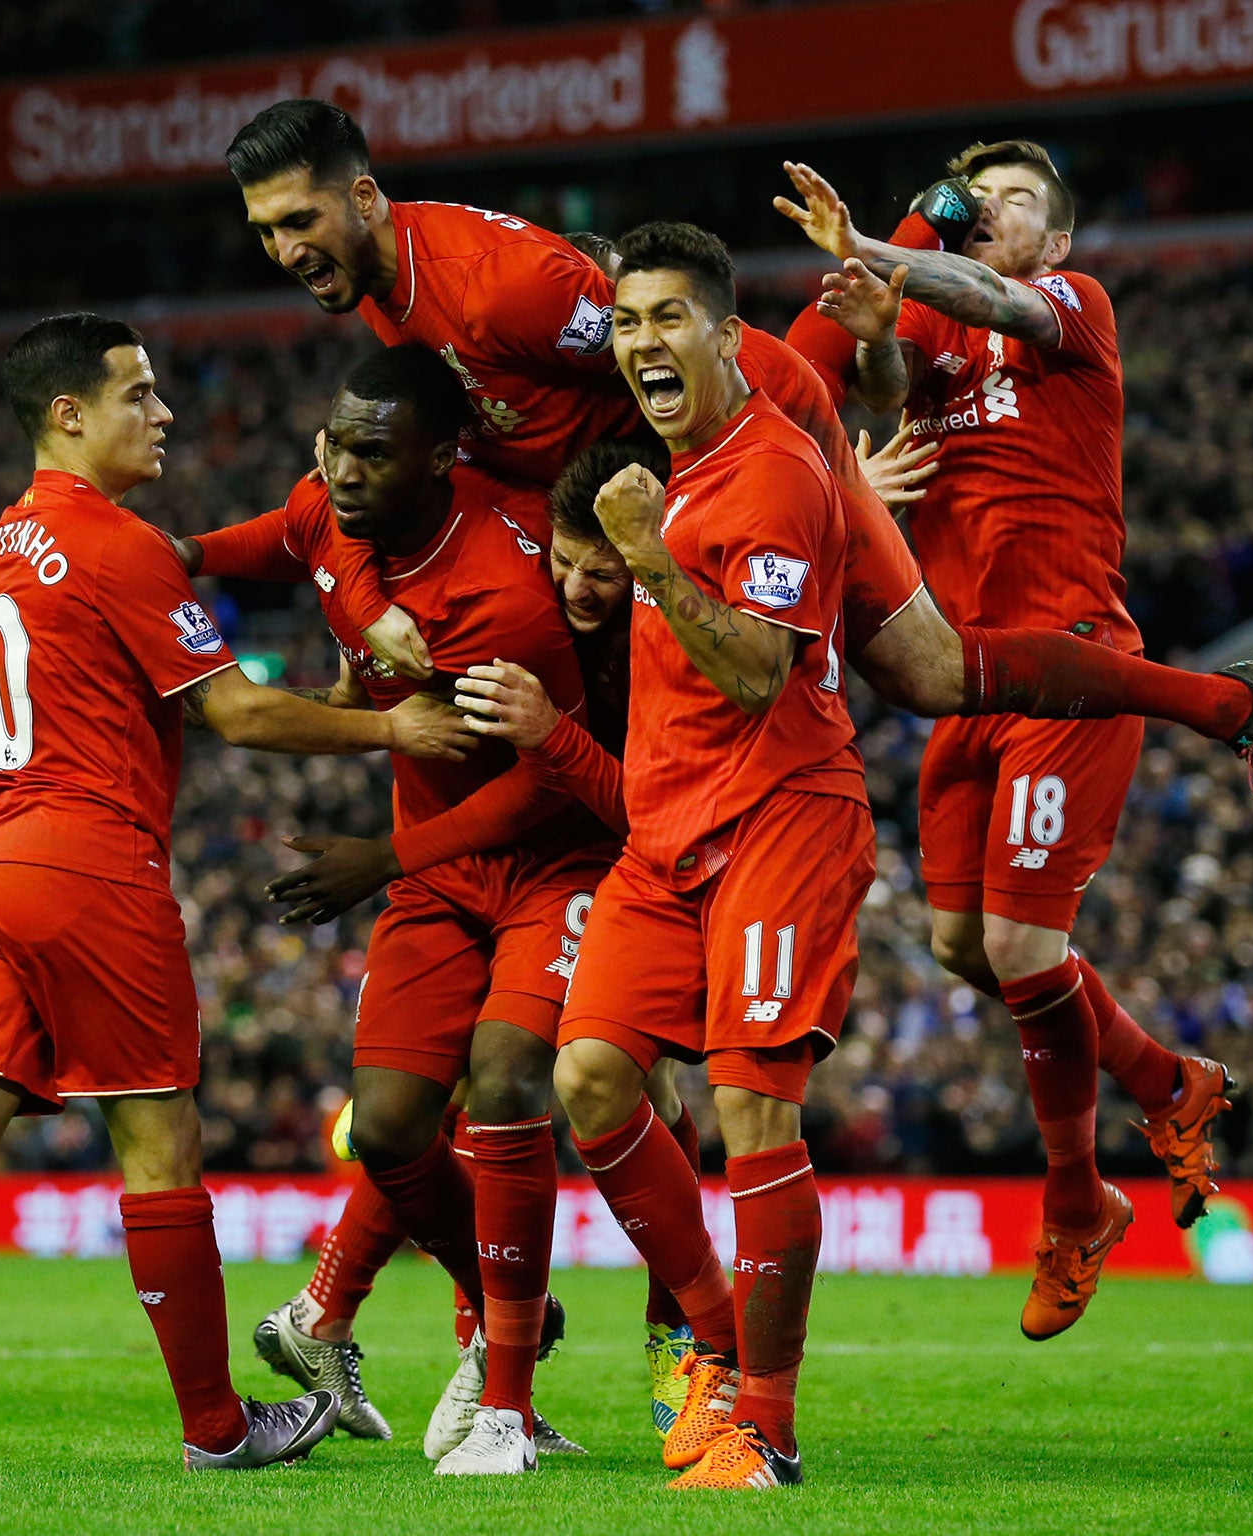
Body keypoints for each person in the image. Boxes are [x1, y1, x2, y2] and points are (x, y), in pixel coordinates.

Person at [223, 98, 1253, 851]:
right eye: (264, 232)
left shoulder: (493, 287)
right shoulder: (381, 289)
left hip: (743, 440)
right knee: (919, 682)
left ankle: (1230, 705)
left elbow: (677, 343)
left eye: (298, 219)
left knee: (924, 674)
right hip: (672, 469)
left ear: (362, 195)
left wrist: (794, 477)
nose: (284, 250)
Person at [0, 314, 473, 1476]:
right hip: (89, 867)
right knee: (160, 1150)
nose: (163, 414)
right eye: (137, 394)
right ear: (68, 414)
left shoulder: (2, 542)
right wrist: (389, 724)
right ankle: (216, 1429)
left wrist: (340, 691)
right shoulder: (118, 543)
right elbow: (235, 713)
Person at [775, 142, 1253, 1335]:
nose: (988, 214)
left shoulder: (1070, 306)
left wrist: (882, 250)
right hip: (964, 677)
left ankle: (1075, 1204)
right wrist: (869, 328)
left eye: (1015, 201)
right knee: (964, 946)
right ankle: (1169, 1086)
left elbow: (993, 297)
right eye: (980, 198)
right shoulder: (938, 347)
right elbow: (874, 384)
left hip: (1069, 658)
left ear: (1055, 241)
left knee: (1020, 948)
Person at [176, 344, 617, 1476]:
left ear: (440, 457)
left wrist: (383, 855)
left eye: (372, 454)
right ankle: (481, 1297)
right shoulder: (338, 502)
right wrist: (176, 555)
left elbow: (542, 775)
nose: (344, 474)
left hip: (550, 860)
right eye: (335, 447)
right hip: (434, 869)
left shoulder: (509, 596)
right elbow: (284, 536)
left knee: (513, 1077)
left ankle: (508, 1396)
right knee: (384, 1125)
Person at [541, 221, 865, 1491]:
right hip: (666, 833)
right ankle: (716, 1346)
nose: (640, 343)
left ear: (728, 337)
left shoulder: (772, 472)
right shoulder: (660, 480)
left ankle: (765, 1432)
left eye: (668, 317)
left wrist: (649, 561)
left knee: (751, 1108)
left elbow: (753, 671)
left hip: (781, 810)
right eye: (624, 323)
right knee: (590, 1081)